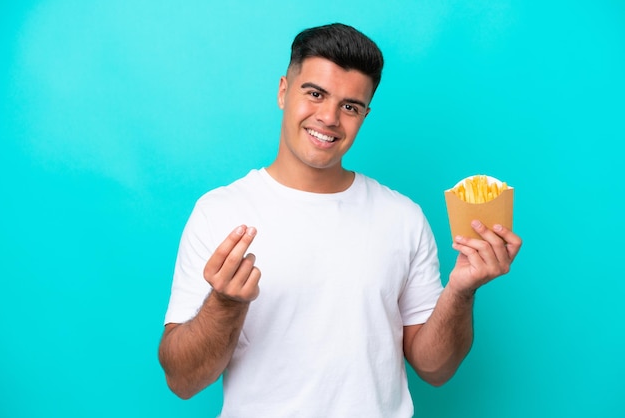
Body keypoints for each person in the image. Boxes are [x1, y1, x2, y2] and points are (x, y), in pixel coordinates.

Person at [158, 23, 522, 417]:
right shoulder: (220, 211)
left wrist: (461, 290)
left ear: (365, 114)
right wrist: (225, 303)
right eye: (315, 94)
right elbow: (183, 381)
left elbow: (435, 368)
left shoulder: (402, 217)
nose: (329, 117)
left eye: (350, 106)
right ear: (283, 91)